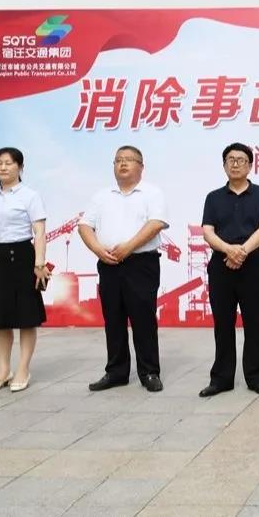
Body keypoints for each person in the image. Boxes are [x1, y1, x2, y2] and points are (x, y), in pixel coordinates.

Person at [78, 145, 168, 393]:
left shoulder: (151, 193)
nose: (123, 164)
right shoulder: (102, 196)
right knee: (113, 318)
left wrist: (128, 247)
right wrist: (98, 250)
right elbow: (84, 225)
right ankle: (116, 372)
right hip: (109, 264)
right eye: (118, 160)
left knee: (143, 318)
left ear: (141, 166)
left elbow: (156, 223)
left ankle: (149, 372)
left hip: (141, 263)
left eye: (129, 159)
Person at [199, 143, 259, 397]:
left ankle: (256, 376)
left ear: (250, 165)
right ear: (224, 165)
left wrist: (241, 252)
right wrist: (228, 250)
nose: (235, 164)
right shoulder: (213, 197)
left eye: (241, 160)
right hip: (221, 265)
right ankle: (221, 378)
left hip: (254, 264)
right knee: (222, 322)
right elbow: (208, 231)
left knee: (253, 321)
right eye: (230, 159)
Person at [0, 147, 50, 393]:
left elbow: (39, 231)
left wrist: (39, 263)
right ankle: (3, 370)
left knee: (26, 317)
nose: (3, 167)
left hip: (22, 257)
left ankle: (23, 369)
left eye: (8, 163)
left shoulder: (30, 196)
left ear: (20, 167)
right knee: (1, 318)